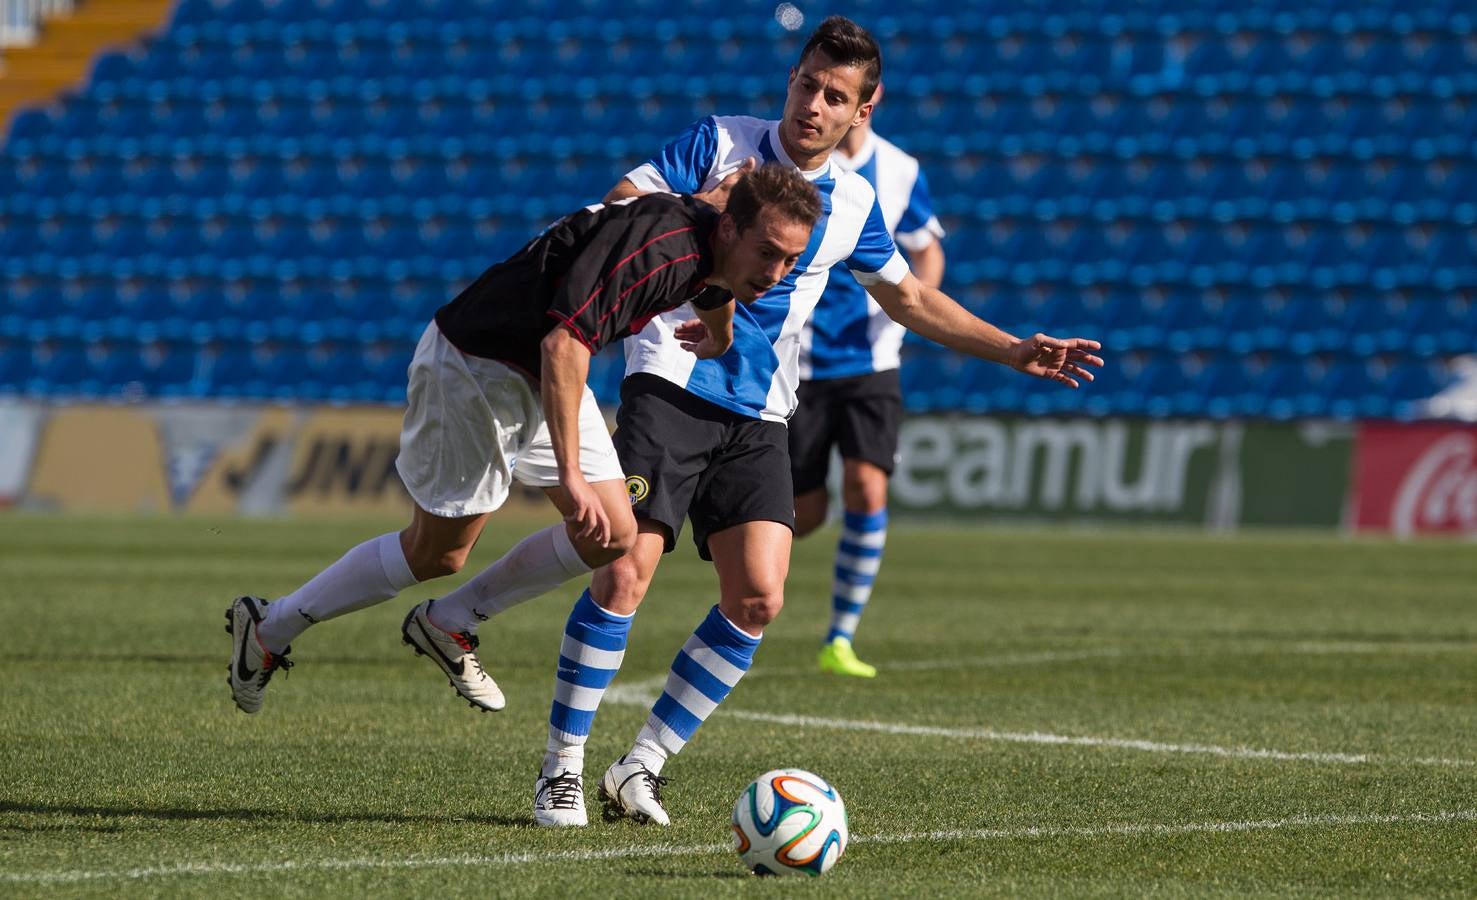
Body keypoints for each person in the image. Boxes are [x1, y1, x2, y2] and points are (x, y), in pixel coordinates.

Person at [518, 15, 1103, 828]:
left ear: (865, 109)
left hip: (761, 410)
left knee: (757, 598)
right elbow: (623, 201)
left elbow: (909, 297)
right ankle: (561, 771)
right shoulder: (721, 141)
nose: (813, 106)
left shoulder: (856, 199)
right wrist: (706, 205)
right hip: (669, 380)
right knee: (623, 572)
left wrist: (1013, 350)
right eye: (805, 84)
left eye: (835, 96)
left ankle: (640, 765)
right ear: (789, 80)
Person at [224, 166, 824, 716]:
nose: (775, 273)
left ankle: (450, 620)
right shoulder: (661, 251)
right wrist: (569, 476)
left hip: (542, 374)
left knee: (614, 532)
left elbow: (714, 282)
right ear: (728, 226)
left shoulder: (712, 244)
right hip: (476, 366)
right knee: (438, 553)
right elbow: (564, 345)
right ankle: (270, 626)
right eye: (766, 252)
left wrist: (718, 336)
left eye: (789, 259)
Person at [791, 83, 946, 679]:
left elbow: (926, 250)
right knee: (804, 517)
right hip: (800, 363)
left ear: (868, 101)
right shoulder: (800, 165)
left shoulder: (901, 170)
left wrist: (908, 306)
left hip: (872, 362)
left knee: (868, 487)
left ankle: (840, 637)